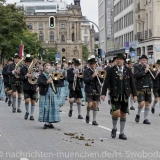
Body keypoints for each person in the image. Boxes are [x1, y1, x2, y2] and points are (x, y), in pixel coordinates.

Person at [101, 53, 137, 140]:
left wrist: (134, 94)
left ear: (123, 60)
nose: (118, 60)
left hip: (125, 95)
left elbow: (132, 82)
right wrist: (103, 93)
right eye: (117, 59)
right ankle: (114, 128)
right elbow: (106, 82)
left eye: (120, 59)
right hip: (115, 94)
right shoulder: (111, 70)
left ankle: (121, 133)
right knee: (116, 113)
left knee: (123, 114)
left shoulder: (128, 70)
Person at [38, 63, 61, 129]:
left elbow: (58, 82)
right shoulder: (42, 75)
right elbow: (40, 82)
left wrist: (53, 77)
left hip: (52, 93)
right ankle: (46, 122)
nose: (48, 69)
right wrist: (46, 82)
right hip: (45, 93)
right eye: (46, 68)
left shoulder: (54, 74)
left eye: (49, 68)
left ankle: (50, 122)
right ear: (44, 69)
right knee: (46, 107)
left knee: (52, 107)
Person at [84, 55, 104, 125]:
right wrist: (92, 76)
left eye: (94, 64)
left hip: (97, 89)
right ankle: (87, 114)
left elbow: (101, 80)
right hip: (89, 89)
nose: (93, 65)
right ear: (89, 64)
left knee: (95, 104)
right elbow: (85, 81)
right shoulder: (86, 71)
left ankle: (94, 120)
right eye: (91, 64)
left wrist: (99, 75)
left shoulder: (98, 70)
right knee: (90, 105)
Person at [134, 55, 153, 124]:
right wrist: (144, 72)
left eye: (145, 60)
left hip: (148, 87)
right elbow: (136, 75)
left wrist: (152, 70)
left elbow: (153, 77)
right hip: (140, 87)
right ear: (140, 60)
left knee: (148, 103)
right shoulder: (136, 67)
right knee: (141, 103)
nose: (144, 61)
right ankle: (138, 114)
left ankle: (145, 119)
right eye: (143, 60)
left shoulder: (149, 67)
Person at [20, 55, 38, 120]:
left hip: (33, 86)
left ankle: (31, 115)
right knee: (27, 100)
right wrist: (26, 76)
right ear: (25, 62)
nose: (28, 63)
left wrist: (33, 76)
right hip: (26, 87)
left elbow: (37, 77)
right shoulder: (22, 69)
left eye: (29, 62)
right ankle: (27, 112)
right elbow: (20, 78)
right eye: (26, 62)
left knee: (33, 102)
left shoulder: (35, 69)